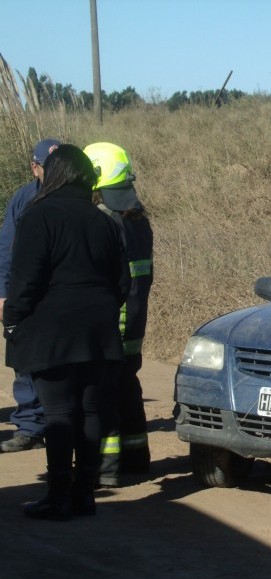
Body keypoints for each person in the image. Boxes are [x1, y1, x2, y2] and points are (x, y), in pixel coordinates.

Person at [2, 144, 130, 520]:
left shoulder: (38, 216)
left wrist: (13, 320)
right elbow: (122, 283)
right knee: (90, 410)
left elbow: (25, 278)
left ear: (52, 173)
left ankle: (57, 496)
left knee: (58, 412)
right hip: (98, 331)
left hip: (51, 332)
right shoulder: (104, 221)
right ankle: (84, 495)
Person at [84, 142, 153, 486]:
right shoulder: (137, 217)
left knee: (105, 391)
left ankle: (107, 468)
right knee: (128, 385)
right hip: (136, 320)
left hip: (118, 321)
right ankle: (137, 457)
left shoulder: (110, 221)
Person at [0, 138, 60, 453]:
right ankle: (30, 427)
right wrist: (3, 294)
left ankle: (60, 427)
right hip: (26, 294)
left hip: (61, 296)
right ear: (33, 167)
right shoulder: (22, 200)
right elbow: (6, 250)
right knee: (24, 362)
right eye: (45, 168)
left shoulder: (76, 199)